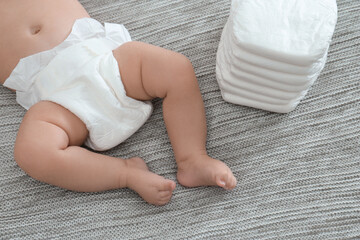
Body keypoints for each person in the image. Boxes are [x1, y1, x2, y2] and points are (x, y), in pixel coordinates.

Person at [0, 0, 236, 205]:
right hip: (56, 96)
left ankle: (193, 158)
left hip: (102, 58)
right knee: (32, 153)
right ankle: (125, 174)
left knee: (176, 67)